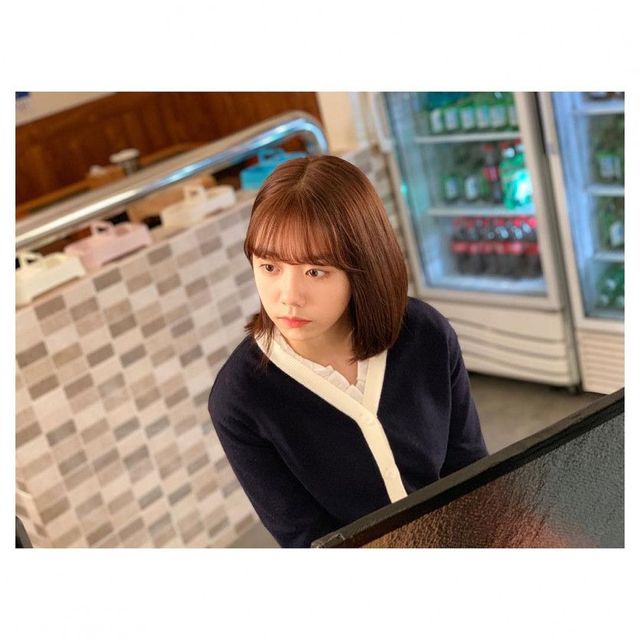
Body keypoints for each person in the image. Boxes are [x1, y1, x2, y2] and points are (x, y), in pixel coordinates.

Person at [208, 154, 487, 548]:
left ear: (364, 266)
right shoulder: (240, 399)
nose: (289, 297)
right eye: (270, 267)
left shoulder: (425, 334)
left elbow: (473, 472)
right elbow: (307, 540)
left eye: (315, 271)